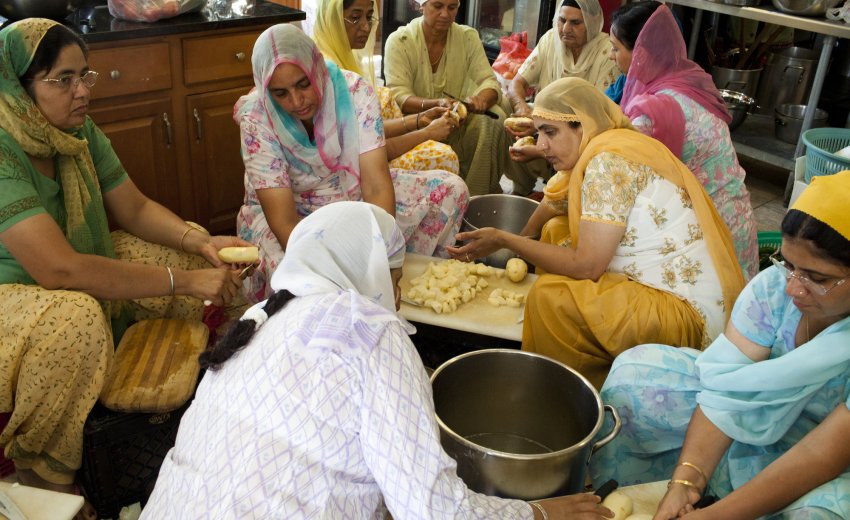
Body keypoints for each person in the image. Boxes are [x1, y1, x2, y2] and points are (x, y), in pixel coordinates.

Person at [142, 201, 614, 519]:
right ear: (364, 271)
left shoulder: (259, 317)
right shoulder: (368, 329)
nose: (399, 295)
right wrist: (538, 512)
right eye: (394, 279)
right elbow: (431, 510)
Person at [0, 18, 249, 519]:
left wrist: (200, 242)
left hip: (75, 270)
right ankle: (43, 474)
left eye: (84, 76)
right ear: (19, 88)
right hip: (20, 295)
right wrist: (183, 282)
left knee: (190, 252)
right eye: (63, 79)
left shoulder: (76, 132)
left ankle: (203, 406)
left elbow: (134, 208)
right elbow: (60, 270)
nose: (82, 91)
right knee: (74, 319)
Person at [449, 77, 745, 389]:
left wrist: (504, 240)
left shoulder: (607, 163)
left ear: (583, 125)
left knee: (550, 299)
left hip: (685, 316)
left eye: (550, 132)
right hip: (676, 292)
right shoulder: (609, 144)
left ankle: (574, 390)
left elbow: (588, 266)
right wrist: (519, 241)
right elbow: (554, 203)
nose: (541, 145)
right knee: (557, 229)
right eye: (539, 133)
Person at [590, 171, 850, 520]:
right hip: (752, 418)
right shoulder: (774, 288)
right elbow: (726, 390)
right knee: (633, 377)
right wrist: (686, 480)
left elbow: (821, 455)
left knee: (821, 514)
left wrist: (718, 516)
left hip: (826, 456)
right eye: (789, 266)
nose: (793, 287)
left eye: (816, 278)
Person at [235, 24, 468, 303]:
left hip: (351, 192)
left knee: (451, 190)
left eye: (303, 84)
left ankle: (414, 292)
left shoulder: (355, 93)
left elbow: (376, 186)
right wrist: (335, 271)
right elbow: (284, 222)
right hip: (295, 216)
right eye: (280, 93)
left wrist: (386, 260)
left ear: (316, 67)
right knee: (301, 288)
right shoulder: (257, 119)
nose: (296, 101)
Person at [610, 2, 759, 279]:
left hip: (712, 235)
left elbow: (618, 172)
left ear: (641, 53)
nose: (611, 56)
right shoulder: (688, 78)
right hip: (738, 218)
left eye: (615, 48)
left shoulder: (653, 112)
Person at [384, 0, 549, 195]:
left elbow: (489, 83)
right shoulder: (400, 41)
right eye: (438, 6)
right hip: (417, 127)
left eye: (452, 7)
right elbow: (399, 96)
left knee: (494, 116)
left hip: (459, 125)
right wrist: (435, 105)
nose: (445, 14)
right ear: (421, 6)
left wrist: (481, 100)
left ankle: (477, 194)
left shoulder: (467, 37)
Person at [311, 0, 461, 175]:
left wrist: (419, 119)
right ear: (332, 18)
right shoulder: (332, 73)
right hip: (353, 169)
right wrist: (426, 133)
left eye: (369, 17)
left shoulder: (465, 37)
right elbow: (366, 147)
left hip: (372, 147)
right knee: (443, 156)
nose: (366, 27)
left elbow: (370, 126)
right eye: (355, 17)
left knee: (384, 96)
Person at [508, 0, 620, 118]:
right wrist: (520, 107)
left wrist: (548, 124)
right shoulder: (550, 39)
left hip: (583, 124)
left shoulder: (608, 52)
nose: (566, 29)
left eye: (575, 23)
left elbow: (600, 112)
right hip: (540, 116)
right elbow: (517, 83)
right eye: (562, 20)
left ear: (592, 23)